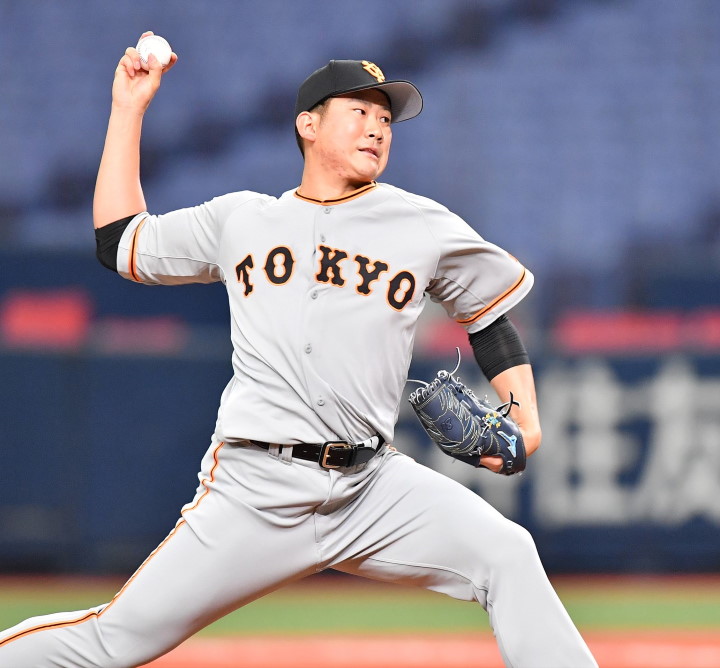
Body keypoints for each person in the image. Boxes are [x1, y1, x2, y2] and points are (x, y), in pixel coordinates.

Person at [0, 32, 597, 668]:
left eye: (386, 118)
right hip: (256, 488)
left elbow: (491, 316)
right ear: (307, 125)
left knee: (507, 553)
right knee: (115, 640)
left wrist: (525, 422)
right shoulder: (241, 219)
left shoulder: (421, 224)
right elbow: (120, 241)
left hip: (371, 487)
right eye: (360, 111)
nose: (377, 128)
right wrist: (129, 108)